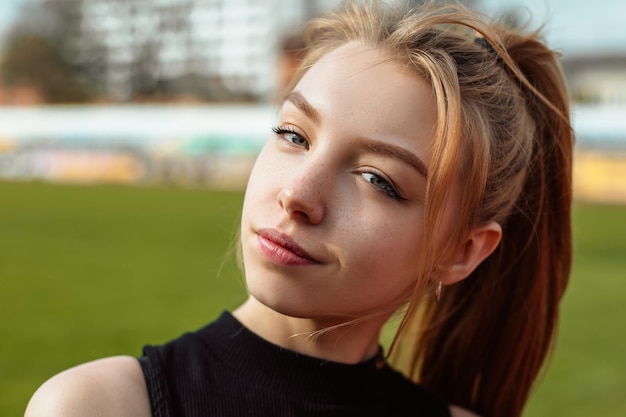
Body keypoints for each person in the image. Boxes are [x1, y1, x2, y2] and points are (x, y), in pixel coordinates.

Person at [24, 1, 573, 417]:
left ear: (461, 251)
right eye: (293, 134)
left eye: (378, 179)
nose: (298, 195)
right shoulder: (96, 405)